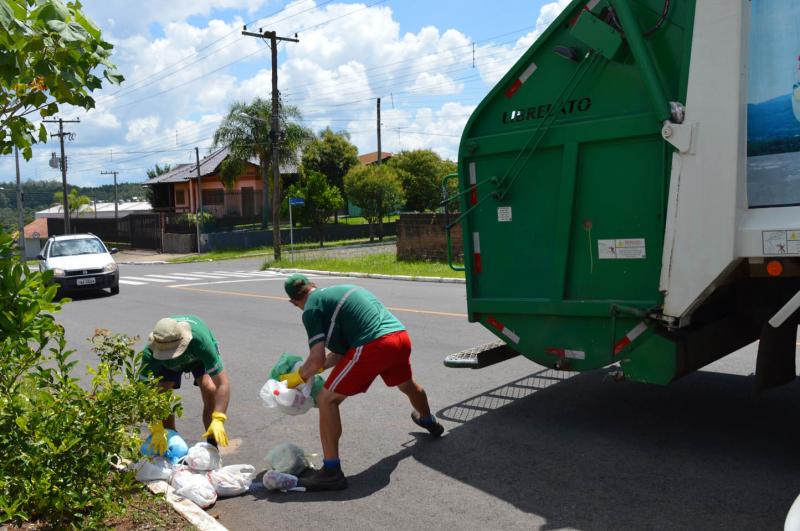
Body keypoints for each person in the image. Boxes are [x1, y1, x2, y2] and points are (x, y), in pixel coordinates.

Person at [280, 273, 444, 491]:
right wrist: (312, 370)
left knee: (326, 399)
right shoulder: (341, 291)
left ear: (293, 302)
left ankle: (331, 472)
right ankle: (428, 420)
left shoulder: (311, 309)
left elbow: (317, 357)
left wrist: (298, 376)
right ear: (313, 285)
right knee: (406, 384)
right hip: (399, 336)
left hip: (373, 344)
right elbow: (339, 355)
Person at [142, 315, 231, 454]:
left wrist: (219, 417)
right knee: (161, 394)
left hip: (197, 358)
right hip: (166, 366)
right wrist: (156, 426)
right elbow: (143, 392)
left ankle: (212, 444)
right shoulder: (150, 352)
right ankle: (171, 440)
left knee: (210, 388)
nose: (173, 357)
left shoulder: (200, 341)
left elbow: (222, 383)